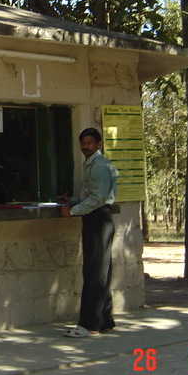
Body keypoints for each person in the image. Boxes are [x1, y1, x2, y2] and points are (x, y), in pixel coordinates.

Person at [58, 127, 119, 337]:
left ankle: (89, 325)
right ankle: (104, 320)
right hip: (97, 217)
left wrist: (72, 211)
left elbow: (98, 199)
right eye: (83, 143)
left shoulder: (99, 165)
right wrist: (73, 200)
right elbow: (92, 195)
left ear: (99, 144)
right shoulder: (92, 163)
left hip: (98, 218)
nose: (85, 146)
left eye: (90, 143)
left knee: (94, 272)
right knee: (101, 271)